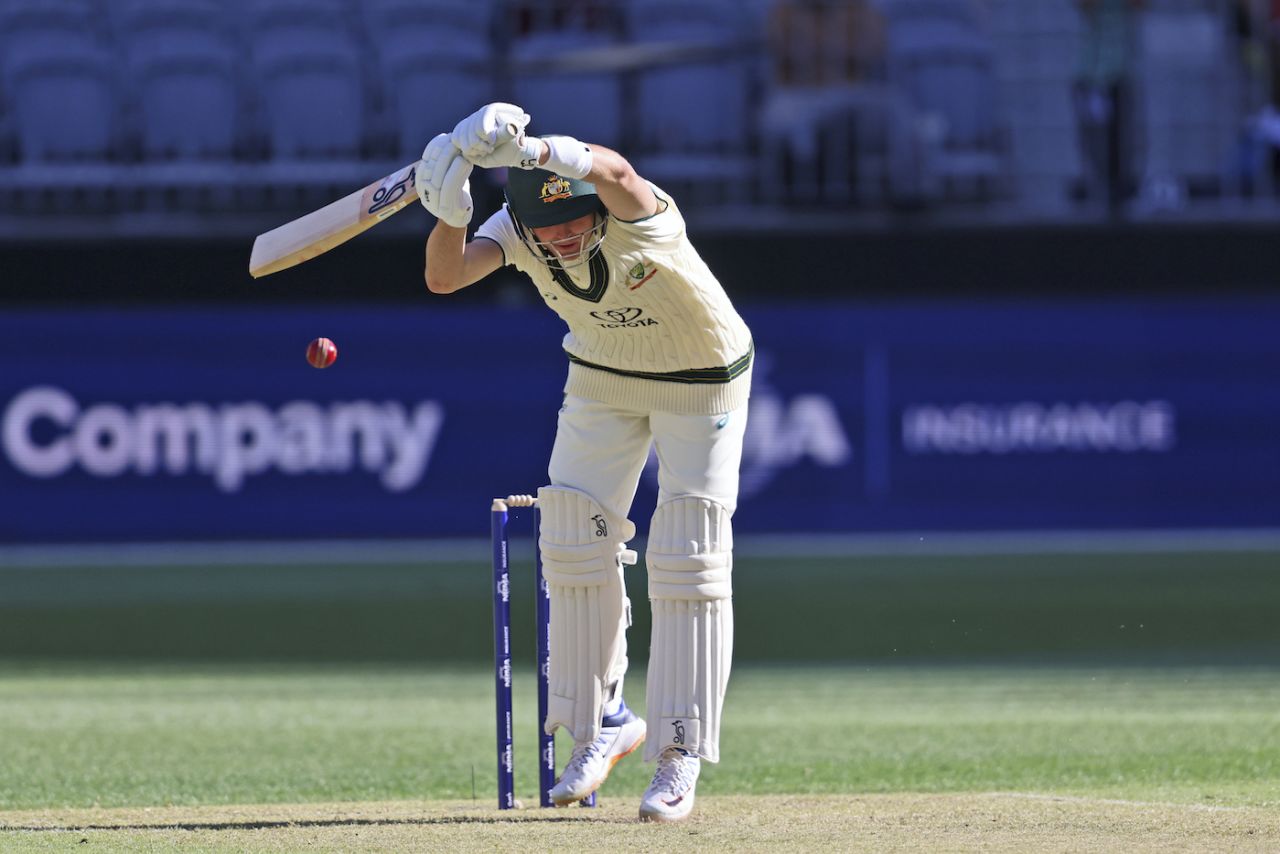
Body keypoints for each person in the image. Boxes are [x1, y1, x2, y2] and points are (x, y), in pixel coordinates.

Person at [415, 103, 753, 822]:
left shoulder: (637, 214)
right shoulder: (517, 229)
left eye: (574, 220)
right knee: (570, 539)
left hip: (702, 374)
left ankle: (678, 752)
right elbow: (446, 279)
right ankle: (605, 721)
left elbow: (619, 172)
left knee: (689, 553)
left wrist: (539, 152)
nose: (562, 237)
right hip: (601, 373)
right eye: (548, 229)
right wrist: (449, 209)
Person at [1071, 0, 1146, 215]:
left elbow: (1142, 6)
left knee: (1123, 148)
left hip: (1120, 73)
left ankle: (1119, 202)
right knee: (1095, 147)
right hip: (1091, 75)